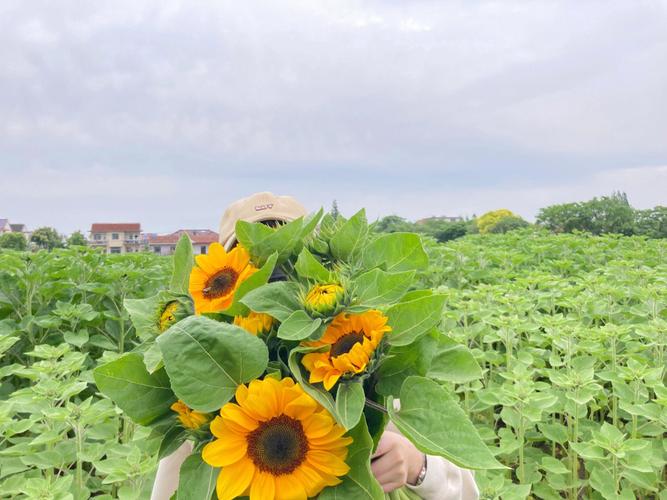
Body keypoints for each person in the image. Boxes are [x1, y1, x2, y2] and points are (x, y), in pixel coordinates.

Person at [151, 192, 479, 500]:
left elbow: (466, 490)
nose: (273, 280)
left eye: (287, 260)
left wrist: (416, 464)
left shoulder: (361, 370)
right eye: (255, 266)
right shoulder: (206, 399)